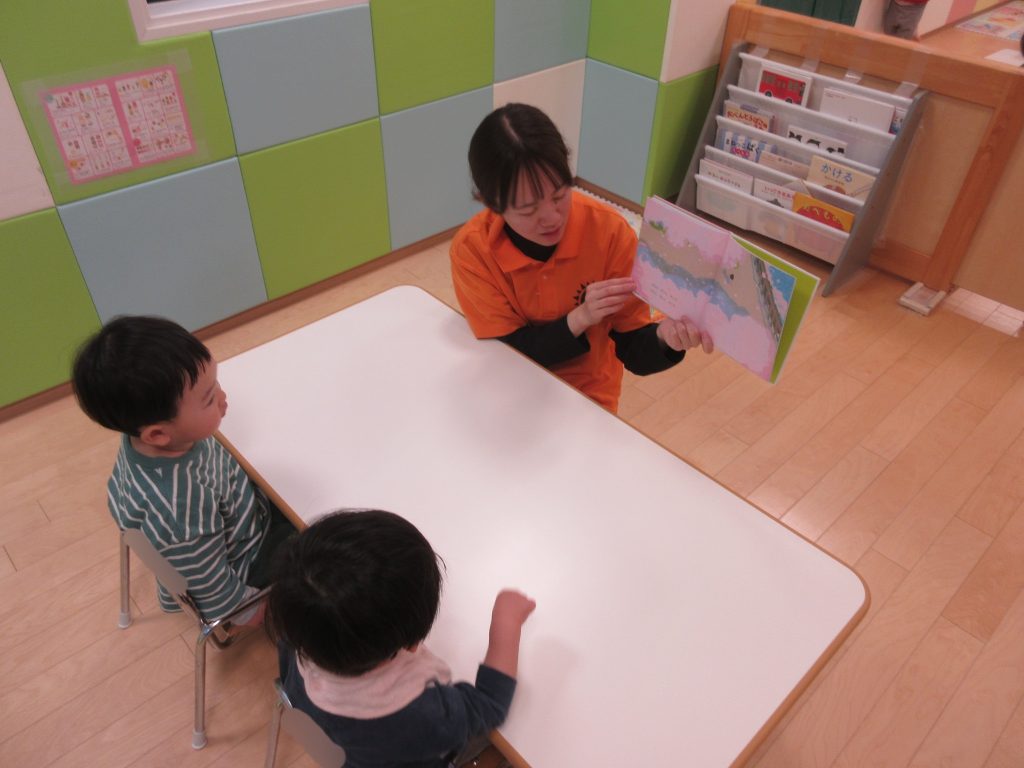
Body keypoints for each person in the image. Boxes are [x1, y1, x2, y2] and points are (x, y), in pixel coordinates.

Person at [450, 103, 713, 413]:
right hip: (507, 388)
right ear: (491, 203)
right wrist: (579, 318)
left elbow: (633, 350)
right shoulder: (473, 252)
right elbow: (507, 356)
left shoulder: (609, 233)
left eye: (559, 195)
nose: (551, 218)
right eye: (528, 210)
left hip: (589, 396)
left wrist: (665, 339)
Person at [267, 509, 536, 768]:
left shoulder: (300, 631)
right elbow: (489, 705)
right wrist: (506, 624)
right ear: (412, 643)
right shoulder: (421, 714)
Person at [71, 315, 294, 625]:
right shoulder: (181, 512)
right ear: (158, 434)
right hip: (249, 564)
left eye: (216, 385)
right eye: (209, 399)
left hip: (243, 511)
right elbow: (221, 601)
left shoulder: (147, 439)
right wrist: (268, 609)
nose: (223, 398)